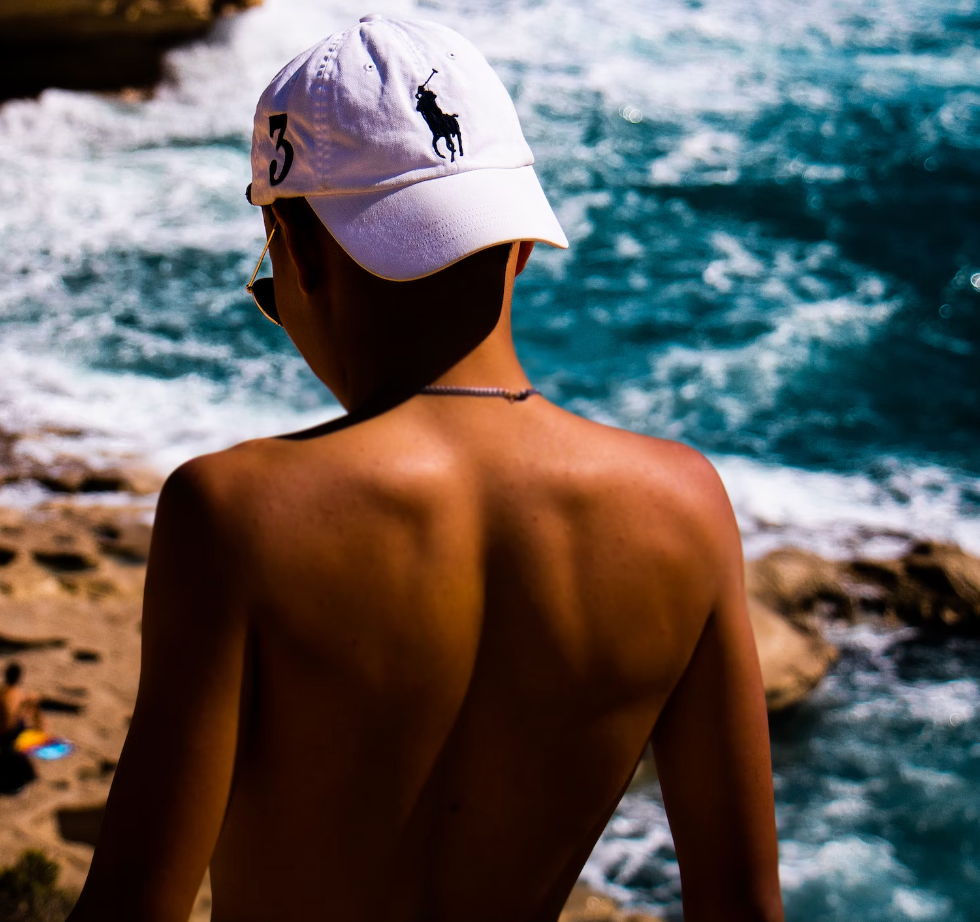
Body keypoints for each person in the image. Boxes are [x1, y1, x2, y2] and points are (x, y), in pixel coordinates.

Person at [68, 15, 784, 922]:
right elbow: (745, 909)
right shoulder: (684, 508)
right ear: (520, 244)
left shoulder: (236, 514)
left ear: (298, 250)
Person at [0, 662, 43, 794]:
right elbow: (35, 719)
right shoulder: (19, 694)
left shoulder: (3, 692)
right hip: (11, 735)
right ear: (19, 678)